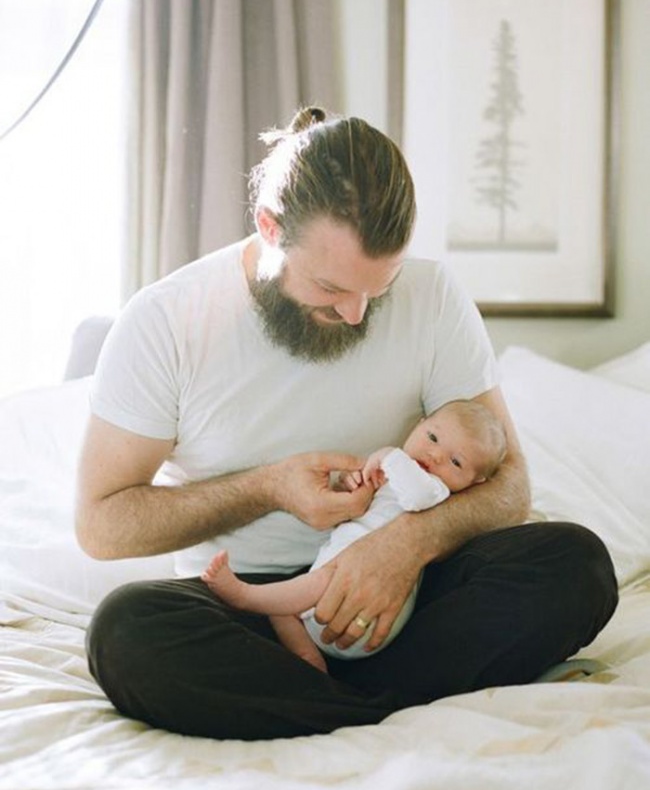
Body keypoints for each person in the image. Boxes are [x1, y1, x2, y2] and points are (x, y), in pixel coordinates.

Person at [78, 106, 618, 741]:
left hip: (407, 593)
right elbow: (101, 525)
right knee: (125, 630)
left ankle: (313, 706)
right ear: (270, 227)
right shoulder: (166, 321)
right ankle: (385, 708)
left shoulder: (435, 297)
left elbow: (511, 486)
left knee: (575, 563)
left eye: (377, 290)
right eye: (333, 288)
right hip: (252, 612)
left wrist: (403, 548)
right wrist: (266, 488)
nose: (359, 314)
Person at [201, 400, 507, 673]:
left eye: (456, 462)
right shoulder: (396, 475)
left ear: (475, 482)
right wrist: (355, 489)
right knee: (284, 612)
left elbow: (415, 495)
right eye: (432, 437)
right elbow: (366, 509)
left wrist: (389, 456)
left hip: (368, 611)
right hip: (323, 607)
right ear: (419, 425)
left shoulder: (434, 489)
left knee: (316, 583)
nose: (436, 455)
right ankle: (309, 659)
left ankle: (245, 596)